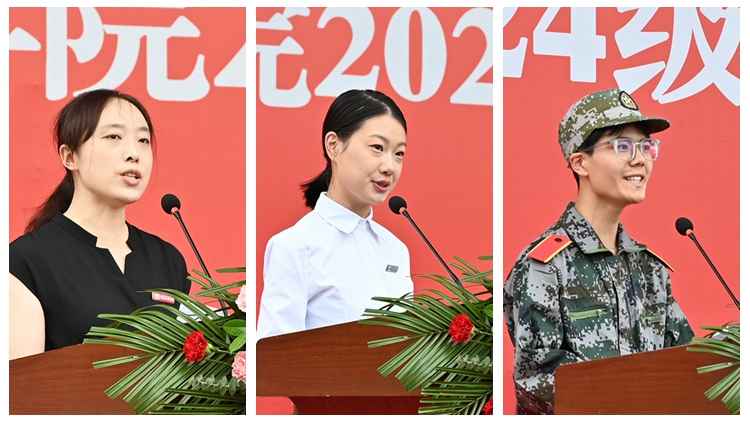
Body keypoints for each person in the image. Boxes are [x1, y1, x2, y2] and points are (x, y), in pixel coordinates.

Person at [503, 88, 694, 414]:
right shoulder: (544, 267)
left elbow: (685, 364)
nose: (640, 159)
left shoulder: (649, 269)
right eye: (623, 146)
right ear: (580, 163)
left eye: (646, 146)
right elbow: (539, 382)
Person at [9, 89, 191, 359]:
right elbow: (21, 382)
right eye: (114, 137)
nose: (134, 153)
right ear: (70, 157)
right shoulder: (25, 262)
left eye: (143, 140)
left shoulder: (168, 260)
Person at [257, 89, 413, 339]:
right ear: (333, 145)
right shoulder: (295, 246)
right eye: (377, 147)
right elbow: (275, 353)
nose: (389, 167)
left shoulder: (395, 249)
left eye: (399, 154)